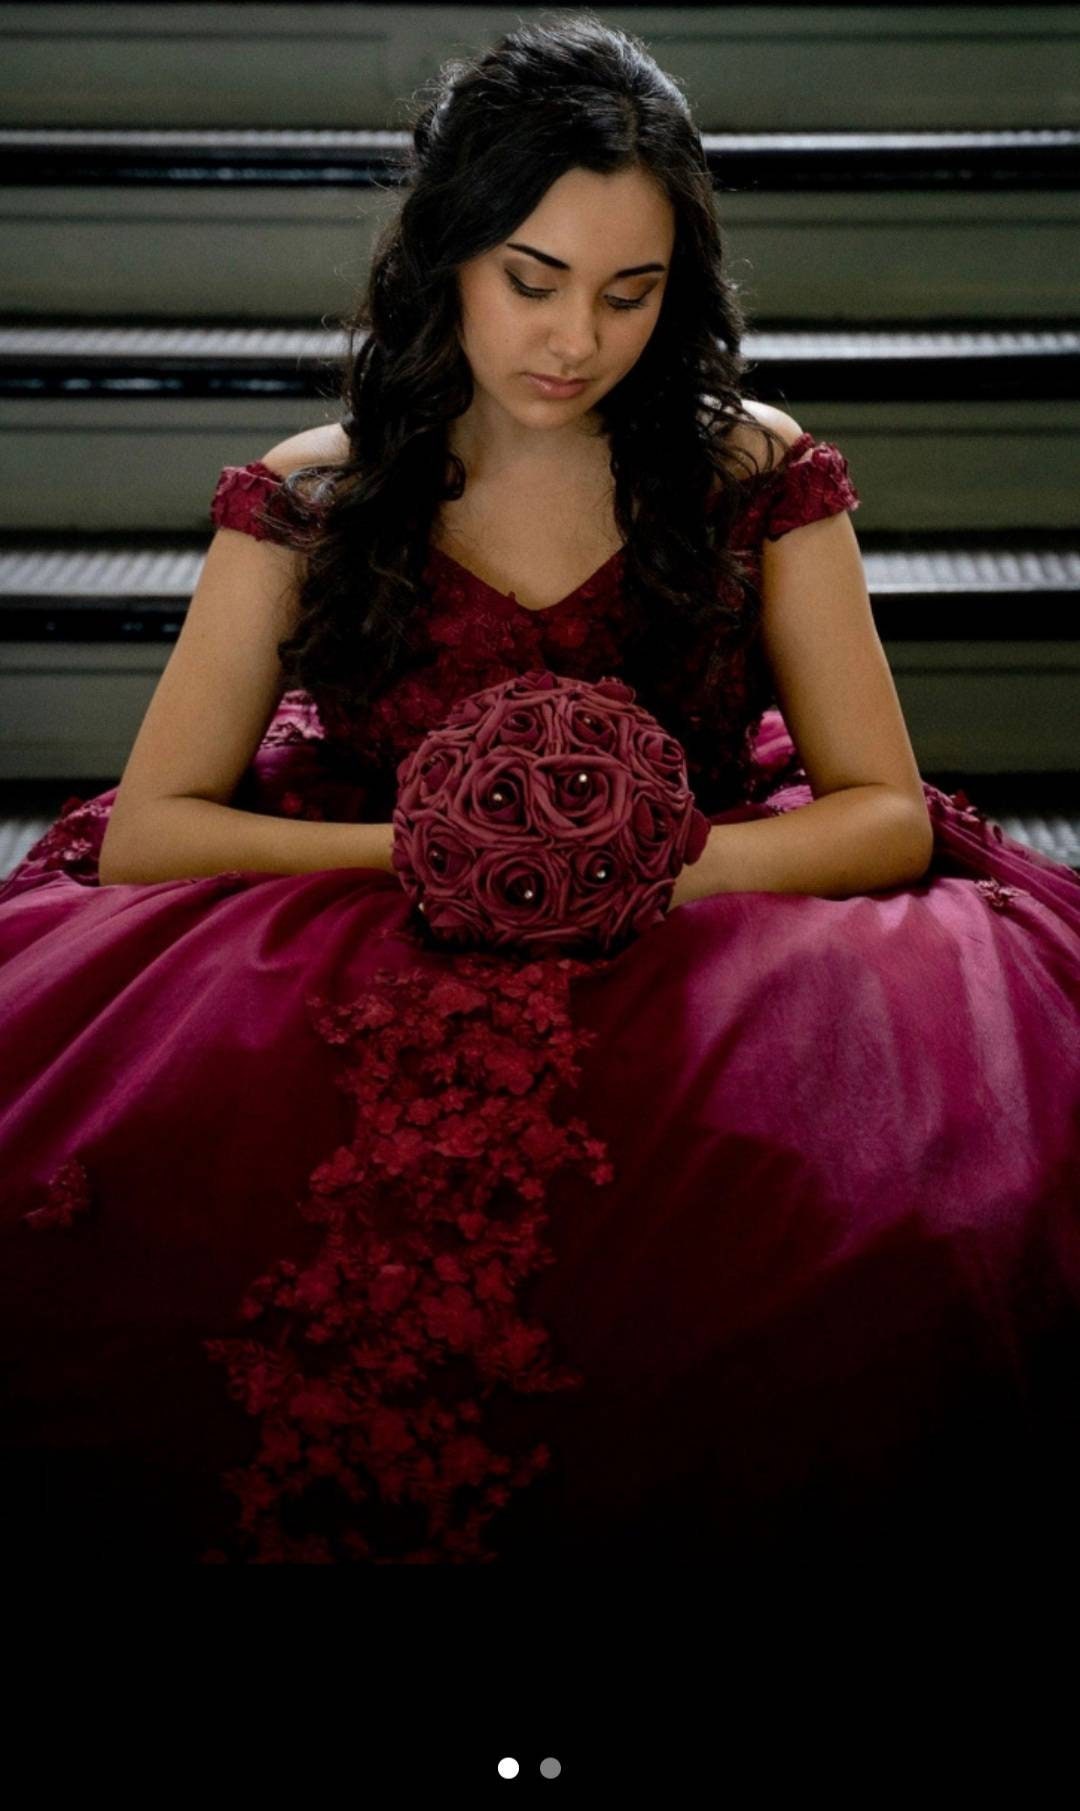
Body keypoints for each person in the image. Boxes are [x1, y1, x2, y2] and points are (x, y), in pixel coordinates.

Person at [2, 15, 1078, 1567]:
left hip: (699, 908)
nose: (577, 338)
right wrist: (451, 851)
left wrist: (626, 867)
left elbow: (884, 812)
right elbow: (155, 830)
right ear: (447, 253)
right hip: (376, 905)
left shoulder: (747, 473)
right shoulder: (317, 489)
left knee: (885, 1222)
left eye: (630, 292)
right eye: (534, 278)